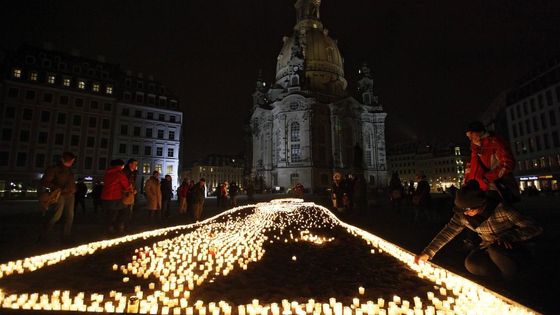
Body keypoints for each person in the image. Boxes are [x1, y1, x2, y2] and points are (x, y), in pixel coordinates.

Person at [415, 181, 543, 280]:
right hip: (487, 247)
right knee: (471, 263)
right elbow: (447, 232)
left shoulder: (502, 210)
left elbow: (534, 227)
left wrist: (510, 236)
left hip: (512, 247)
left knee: (496, 250)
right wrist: (428, 252)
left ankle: (513, 277)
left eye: (469, 209)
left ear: (481, 205)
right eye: (462, 210)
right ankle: (499, 278)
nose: (466, 213)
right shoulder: (463, 215)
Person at [464, 121, 517, 202]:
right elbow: (470, 168)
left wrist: (488, 178)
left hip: (494, 188)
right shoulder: (474, 148)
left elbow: (508, 164)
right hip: (479, 189)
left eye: (471, 134)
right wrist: (466, 182)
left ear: (480, 132)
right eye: (468, 136)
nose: (470, 138)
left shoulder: (496, 143)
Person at [38, 152, 77, 243]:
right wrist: (57, 187)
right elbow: (44, 181)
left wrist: (74, 188)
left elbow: (71, 182)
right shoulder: (54, 169)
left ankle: (66, 237)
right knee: (55, 216)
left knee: (69, 216)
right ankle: (43, 236)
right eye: (69, 160)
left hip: (70, 195)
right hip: (59, 195)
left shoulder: (69, 170)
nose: (71, 162)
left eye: (72, 160)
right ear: (62, 159)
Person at [100, 159, 133, 235]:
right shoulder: (120, 173)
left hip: (105, 197)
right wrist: (130, 188)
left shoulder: (107, 172)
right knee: (123, 211)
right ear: (121, 166)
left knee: (109, 214)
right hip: (115, 197)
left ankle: (109, 229)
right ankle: (116, 229)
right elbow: (126, 185)